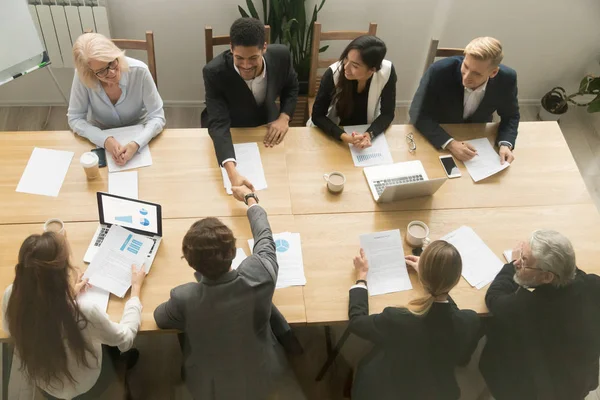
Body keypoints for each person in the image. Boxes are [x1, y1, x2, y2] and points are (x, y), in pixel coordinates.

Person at [154, 186, 304, 399]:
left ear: (191, 264)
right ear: (233, 252)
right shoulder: (261, 272)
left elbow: (160, 317)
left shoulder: (185, 297)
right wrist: (250, 199)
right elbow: (264, 237)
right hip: (261, 370)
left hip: (213, 382)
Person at [2, 231, 146, 399]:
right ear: (63, 274)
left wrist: (68, 294)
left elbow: (10, 329)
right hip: (89, 384)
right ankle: (119, 366)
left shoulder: (12, 296)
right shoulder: (85, 312)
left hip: (48, 386)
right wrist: (135, 291)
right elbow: (125, 339)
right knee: (110, 344)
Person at [347, 241, 481, 400]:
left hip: (388, 390)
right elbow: (449, 312)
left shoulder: (398, 319)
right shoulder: (470, 320)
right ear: (456, 280)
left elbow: (357, 322)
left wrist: (361, 278)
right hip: (437, 391)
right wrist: (433, 279)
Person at [480, 230, 600, 400]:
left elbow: (494, 296)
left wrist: (510, 265)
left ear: (546, 277)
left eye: (524, 261)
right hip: (578, 382)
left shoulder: (524, 306)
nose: (519, 263)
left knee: (491, 325)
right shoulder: (594, 285)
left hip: (535, 390)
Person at [201, 17, 299, 189]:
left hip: (265, 126)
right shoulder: (213, 72)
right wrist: (232, 174)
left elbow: (291, 87)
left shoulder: (281, 56)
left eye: (253, 58)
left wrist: (284, 117)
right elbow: (218, 123)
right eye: (239, 58)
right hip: (231, 128)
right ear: (231, 48)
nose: (246, 65)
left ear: (265, 48)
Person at [409, 37, 519, 164]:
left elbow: (511, 116)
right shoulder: (438, 71)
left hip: (478, 135)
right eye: (465, 66)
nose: (466, 77)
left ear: (493, 72)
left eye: (477, 74)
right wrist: (450, 143)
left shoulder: (507, 79)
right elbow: (417, 112)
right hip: (438, 133)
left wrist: (505, 144)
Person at [68, 32, 165, 167]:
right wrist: (104, 140)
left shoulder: (140, 71)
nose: (112, 72)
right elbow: (75, 118)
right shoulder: (81, 77)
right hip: (100, 133)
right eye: (101, 71)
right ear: (89, 73)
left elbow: (157, 116)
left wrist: (136, 144)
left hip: (138, 132)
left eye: (112, 62)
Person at [310, 35, 396, 149]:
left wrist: (369, 134)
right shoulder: (333, 73)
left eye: (355, 66)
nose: (346, 67)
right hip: (334, 131)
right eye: (346, 58)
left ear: (372, 70)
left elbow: (387, 114)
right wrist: (345, 137)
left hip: (366, 128)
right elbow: (317, 116)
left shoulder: (386, 72)